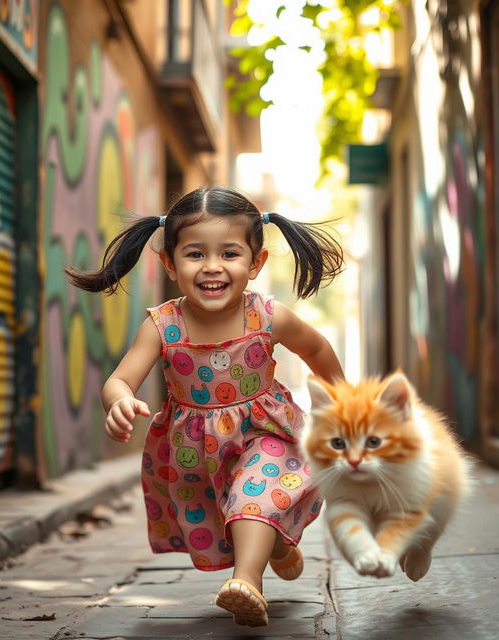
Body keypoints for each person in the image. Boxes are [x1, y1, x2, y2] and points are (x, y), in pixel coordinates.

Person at [66, 185, 345, 627]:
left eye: (230, 253)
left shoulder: (268, 316)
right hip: (196, 451)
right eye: (195, 254)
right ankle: (277, 545)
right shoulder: (163, 325)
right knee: (234, 511)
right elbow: (121, 378)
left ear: (256, 263)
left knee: (254, 494)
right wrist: (119, 400)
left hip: (265, 432)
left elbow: (317, 348)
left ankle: (247, 581)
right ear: (169, 264)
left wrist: (342, 399)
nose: (212, 267)